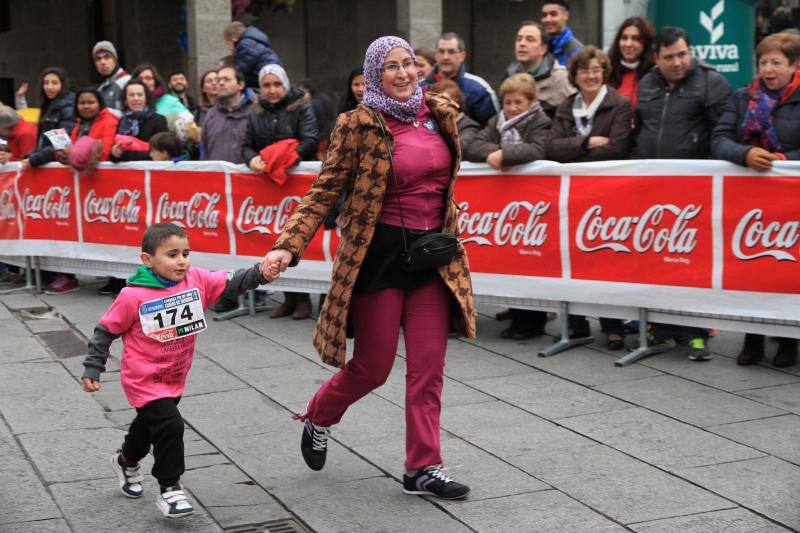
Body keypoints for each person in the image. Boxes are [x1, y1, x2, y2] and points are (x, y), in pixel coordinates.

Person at [261, 36, 476, 501]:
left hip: (431, 259)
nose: (402, 74)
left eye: (408, 64)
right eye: (390, 68)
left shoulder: (439, 113)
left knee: (427, 369)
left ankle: (422, 468)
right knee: (372, 368)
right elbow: (322, 192)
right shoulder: (357, 124)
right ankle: (319, 415)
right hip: (376, 257)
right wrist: (287, 247)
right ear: (375, 75)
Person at [81, 222, 278, 519]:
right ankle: (170, 489)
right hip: (143, 379)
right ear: (148, 260)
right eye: (172, 254)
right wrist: (93, 367)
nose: (182, 260)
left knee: (149, 425)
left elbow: (232, 282)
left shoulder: (196, 280)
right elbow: (105, 330)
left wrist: (261, 272)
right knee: (170, 425)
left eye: (185, 253)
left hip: (174, 375)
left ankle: (126, 459)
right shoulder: (133, 295)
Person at [635, 27, 732, 361]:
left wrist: (705, 172)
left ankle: (695, 331)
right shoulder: (646, 83)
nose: (678, 62)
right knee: (657, 259)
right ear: (656, 58)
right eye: (669, 57)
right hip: (653, 187)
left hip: (693, 188)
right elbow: (642, 129)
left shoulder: (711, 81)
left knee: (690, 263)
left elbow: (723, 132)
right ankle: (660, 328)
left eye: (682, 54)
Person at [711, 32, 800, 368]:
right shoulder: (741, 97)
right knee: (750, 268)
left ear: (794, 66)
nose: (768, 69)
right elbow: (718, 139)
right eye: (763, 62)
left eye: (776, 62)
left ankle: (790, 339)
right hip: (748, 198)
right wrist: (745, 153)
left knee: (787, 268)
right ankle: (752, 337)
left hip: (791, 201)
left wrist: (783, 160)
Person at [547, 46, 633, 350]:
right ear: (575, 75)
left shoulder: (619, 104)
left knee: (604, 259)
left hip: (608, 194)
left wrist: (576, 151)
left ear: (604, 73)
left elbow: (619, 147)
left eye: (596, 70)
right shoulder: (566, 106)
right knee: (571, 257)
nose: (591, 76)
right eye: (585, 70)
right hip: (573, 195)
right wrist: (587, 142)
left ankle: (613, 326)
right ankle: (576, 324)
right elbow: (553, 147)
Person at [467, 73, 551, 340]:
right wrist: (493, 154)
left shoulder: (541, 121)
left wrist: (505, 154)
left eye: (518, 102)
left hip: (533, 202)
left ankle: (532, 321)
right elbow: (474, 144)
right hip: (506, 201)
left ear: (531, 102)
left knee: (530, 259)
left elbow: (538, 149)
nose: (512, 108)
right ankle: (517, 310)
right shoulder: (497, 121)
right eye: (508, 102)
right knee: (511, 257)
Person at [243, 64, 318, 320]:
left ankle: (304, 299)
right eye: (267, 85)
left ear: (285, 84)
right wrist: (252, 158)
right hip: (269, 188)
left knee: (296, 239)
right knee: (273, 239)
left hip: (294, 184)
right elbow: (246, 144)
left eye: (276, 84)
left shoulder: (302, 107)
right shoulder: (254, 112)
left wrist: (288, 159)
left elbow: (310, 139)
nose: (272, 90)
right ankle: (288, 297)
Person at [422, 32, 499, 127]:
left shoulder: (479, 89)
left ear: (462, 56)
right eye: (441, 52)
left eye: (451, 52)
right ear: (436, 55)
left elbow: (490, 129)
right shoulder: (419, 88)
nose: (445, 57)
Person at [504, 20, 575, 118]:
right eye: (519, 39)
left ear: (543, 49)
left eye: (530, 39)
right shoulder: (509, 75)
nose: (522, 44)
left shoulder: (560, 78)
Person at [130, 64, 200, 144]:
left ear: (156, 81)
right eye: (140, 78)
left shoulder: (170, 102)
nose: (144, 82)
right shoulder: (128, 104)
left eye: (148, 78)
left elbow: (192, 132)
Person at [14, 67, 76, 150]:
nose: (49, 87)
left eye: (54, 83)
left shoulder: (68, 109)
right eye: (46, 83)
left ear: (63, 85)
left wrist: (34, 159)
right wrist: (30, 156)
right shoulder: (47, 105)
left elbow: (61, 146)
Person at [201, 66, 252, 164]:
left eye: (226, 79)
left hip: (247, 176)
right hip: (216, 176)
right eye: (218, 80)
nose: (221, 83)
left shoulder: (256, 111)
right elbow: (204, 151)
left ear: (240, 85)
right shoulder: (211, 114)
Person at [110, 80, 168, 162]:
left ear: (146, 98)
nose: (136, 98)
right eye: (131, 95)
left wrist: (124, 155)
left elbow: (160, 154)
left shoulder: (159, 120)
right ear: (125, 99)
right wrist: (115, 154)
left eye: (140, 95)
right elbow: (114, 156)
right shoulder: (122, 121)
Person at [608, 16, 655, 109]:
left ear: (646, 42)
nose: (628, 44)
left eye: (636, 38)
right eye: (624, 38)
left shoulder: (656, 74)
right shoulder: (607, 71)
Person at [224, 21, 282, 89]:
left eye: (228, 43)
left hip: (269, 73)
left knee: (236, 80)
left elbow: (243, 68)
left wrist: (228, 75)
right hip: (271, 70)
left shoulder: (245, 44)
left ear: (233, 39)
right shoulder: (251, 40)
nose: (229, 47)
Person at [428, 79, 479, 154]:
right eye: (435, 104)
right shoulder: (431, 123)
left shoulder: (469, 127)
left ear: (456, 104)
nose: (439, 109)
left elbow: (459, 148)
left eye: (444, 104)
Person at [298, 78, 334, 158]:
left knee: (321, 160)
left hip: (317, 137)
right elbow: (331, 117)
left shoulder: (311, 104)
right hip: (326, 134)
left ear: (307, 90)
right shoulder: (325, 98)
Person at [541, 1, 583, 67]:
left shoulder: (577, 52)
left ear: (566, 15)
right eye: (544, 15)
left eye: (553, 14)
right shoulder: (541, 47)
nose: (547, 19)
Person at [93, 40, 131, 112]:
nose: (102, 62)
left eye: (107, 57)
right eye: (98, 59)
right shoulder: (100, 88)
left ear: (115, 60)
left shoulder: (128, 82)